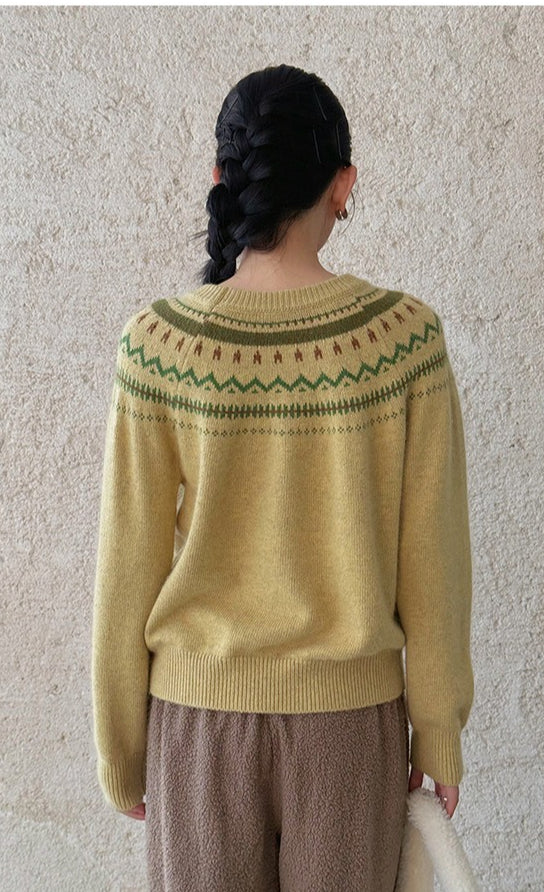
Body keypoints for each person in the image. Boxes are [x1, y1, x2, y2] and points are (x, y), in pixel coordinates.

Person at [91, 64, 474, 891]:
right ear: (344, 185)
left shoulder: (156, 345)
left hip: (196, 729)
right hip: (350, 731)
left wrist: (120, 748)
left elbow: (126, 563)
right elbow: (433, 559)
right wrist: (440, 732)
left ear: (223, 177)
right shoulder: (406, 340)